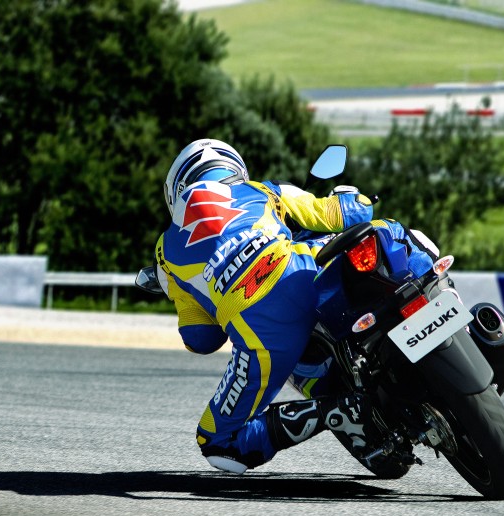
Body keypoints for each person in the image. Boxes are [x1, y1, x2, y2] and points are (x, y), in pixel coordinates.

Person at [155, 139, 435, 474]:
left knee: (217, 442)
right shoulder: (263, 190)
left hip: (263, 331)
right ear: (235, 169)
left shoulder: (165, 255)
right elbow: (345, 213)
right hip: (306, 271)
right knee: (388, 232)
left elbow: (200, 339)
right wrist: (354, 197)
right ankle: (441, 295)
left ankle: (335, 410)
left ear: (175, 191)